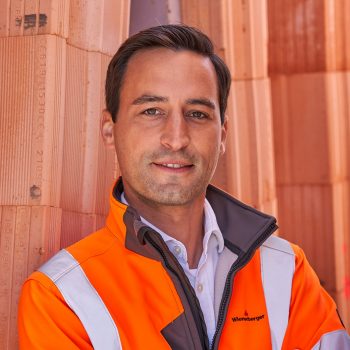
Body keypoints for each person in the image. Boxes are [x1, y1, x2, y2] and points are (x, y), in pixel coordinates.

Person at [18, 24, 349, 350]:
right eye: (151, 111)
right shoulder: (63, 298)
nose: (176, 138)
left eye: (197, 114)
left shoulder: (285, 272)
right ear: (109, 129)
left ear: (222, 135)